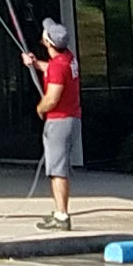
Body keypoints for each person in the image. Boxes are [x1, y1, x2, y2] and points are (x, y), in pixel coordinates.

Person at [24, 18, 82, 231]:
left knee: (58, 170)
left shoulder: (59, 67)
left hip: (59, 121)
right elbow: (54, 69)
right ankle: (59, 212)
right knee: (59, 168)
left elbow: (52, 98)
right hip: (71, 118)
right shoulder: (67, 58)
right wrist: (36, 63)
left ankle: (62, 216)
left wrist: (40, 108)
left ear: (48, 42)